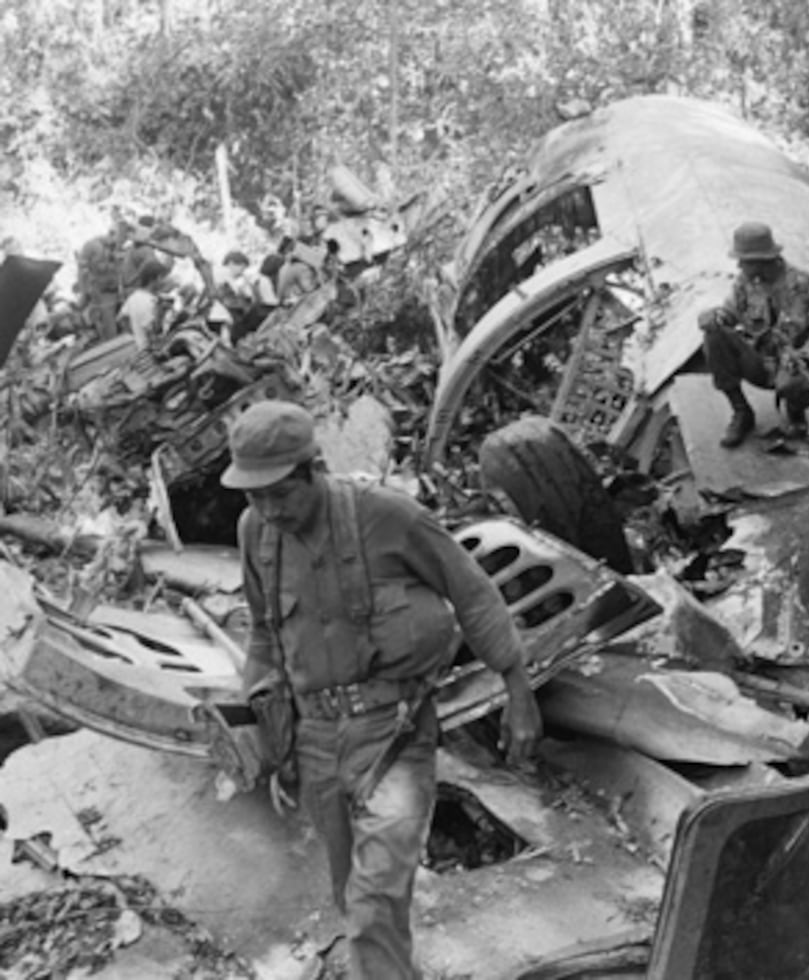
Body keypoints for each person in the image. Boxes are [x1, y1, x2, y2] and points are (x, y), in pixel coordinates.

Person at [220, 400, 542, 980]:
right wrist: (262, 734)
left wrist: (518, 687)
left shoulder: (389, 516)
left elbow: (471, 593)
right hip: (314, 739)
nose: (268, 510)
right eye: (253, 496)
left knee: (373, 905)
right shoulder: (256, 534)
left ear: (313, 469)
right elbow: (265, 637)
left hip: (393, 732)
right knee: (354, 897)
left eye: (280, 493)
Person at [698, 221, 809, 447]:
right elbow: (729, 314)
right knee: (714, 336)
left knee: (794, 383)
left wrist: (806, 355)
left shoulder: (805, 284)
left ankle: (795, 411)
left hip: (792, 365)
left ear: (761, 261)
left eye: (744, 261)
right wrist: (713, 318)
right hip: (757, 362)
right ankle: (741, 412)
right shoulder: (744, 284)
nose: (740, 266)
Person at [76, 218, 131, 340]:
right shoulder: (92, 246)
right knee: (109, 331)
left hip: (115, 293)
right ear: (112, 234)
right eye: (121, 239)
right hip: (100, 295)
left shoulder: (117, 249)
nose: (122, 243)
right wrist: (84, 293)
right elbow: (82, 271)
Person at [117, 258, 169, 349]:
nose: (163, 281)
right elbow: (154, 334)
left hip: (140, 346)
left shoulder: (133, 297)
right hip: (152, 351)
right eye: (162, 277)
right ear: (154, 279)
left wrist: (136, 335)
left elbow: (121, 319)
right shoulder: (151, 302)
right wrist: (162, 314)